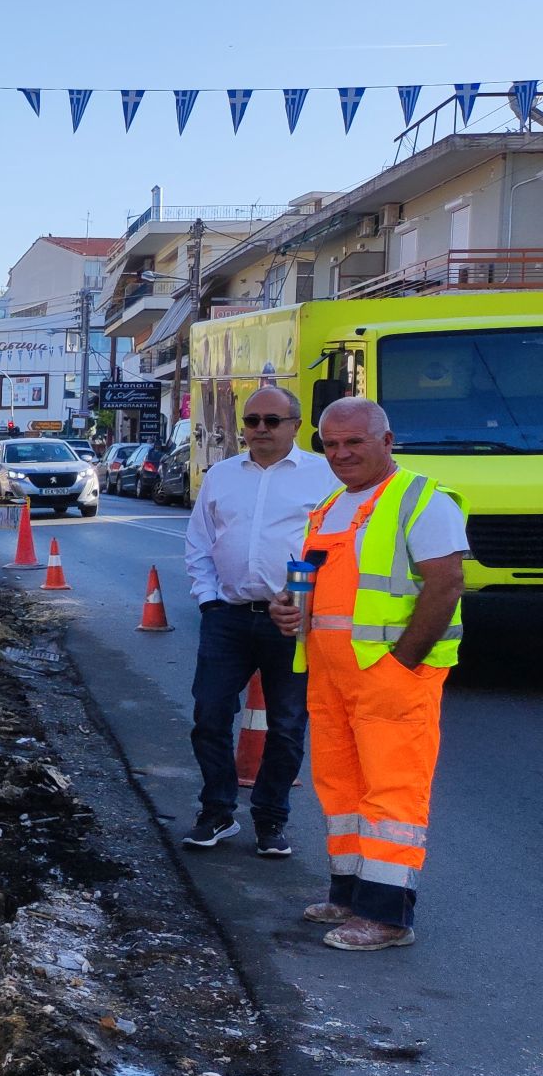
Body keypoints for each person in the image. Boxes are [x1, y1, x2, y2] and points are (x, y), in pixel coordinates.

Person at [267, 398, 466, 952]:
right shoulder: (331, 505)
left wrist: (401, 664)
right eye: (330, 444)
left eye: (354, 441)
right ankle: (350, 895)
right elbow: (310, 588)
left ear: (386, 440)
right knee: (342, 788)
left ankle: (387, 918)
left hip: (390, 677)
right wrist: (288, 609)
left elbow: (446, 583)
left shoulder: (418, 499)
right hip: (331, 678)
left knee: (392, 795)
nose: (341, 453)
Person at [180, 385, 335, 854]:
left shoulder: (324, 477)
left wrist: (309, 603)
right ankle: (217, 812)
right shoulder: (222, 475)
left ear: (297, 425)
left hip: (291, 624)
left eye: (272, 420)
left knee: (287, 726)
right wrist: (208, 601)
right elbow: (199, 544)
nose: (260, 430)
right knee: (209, 716)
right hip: (227, 618)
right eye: (252, 422)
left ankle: (270, 819)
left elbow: (337, 548)